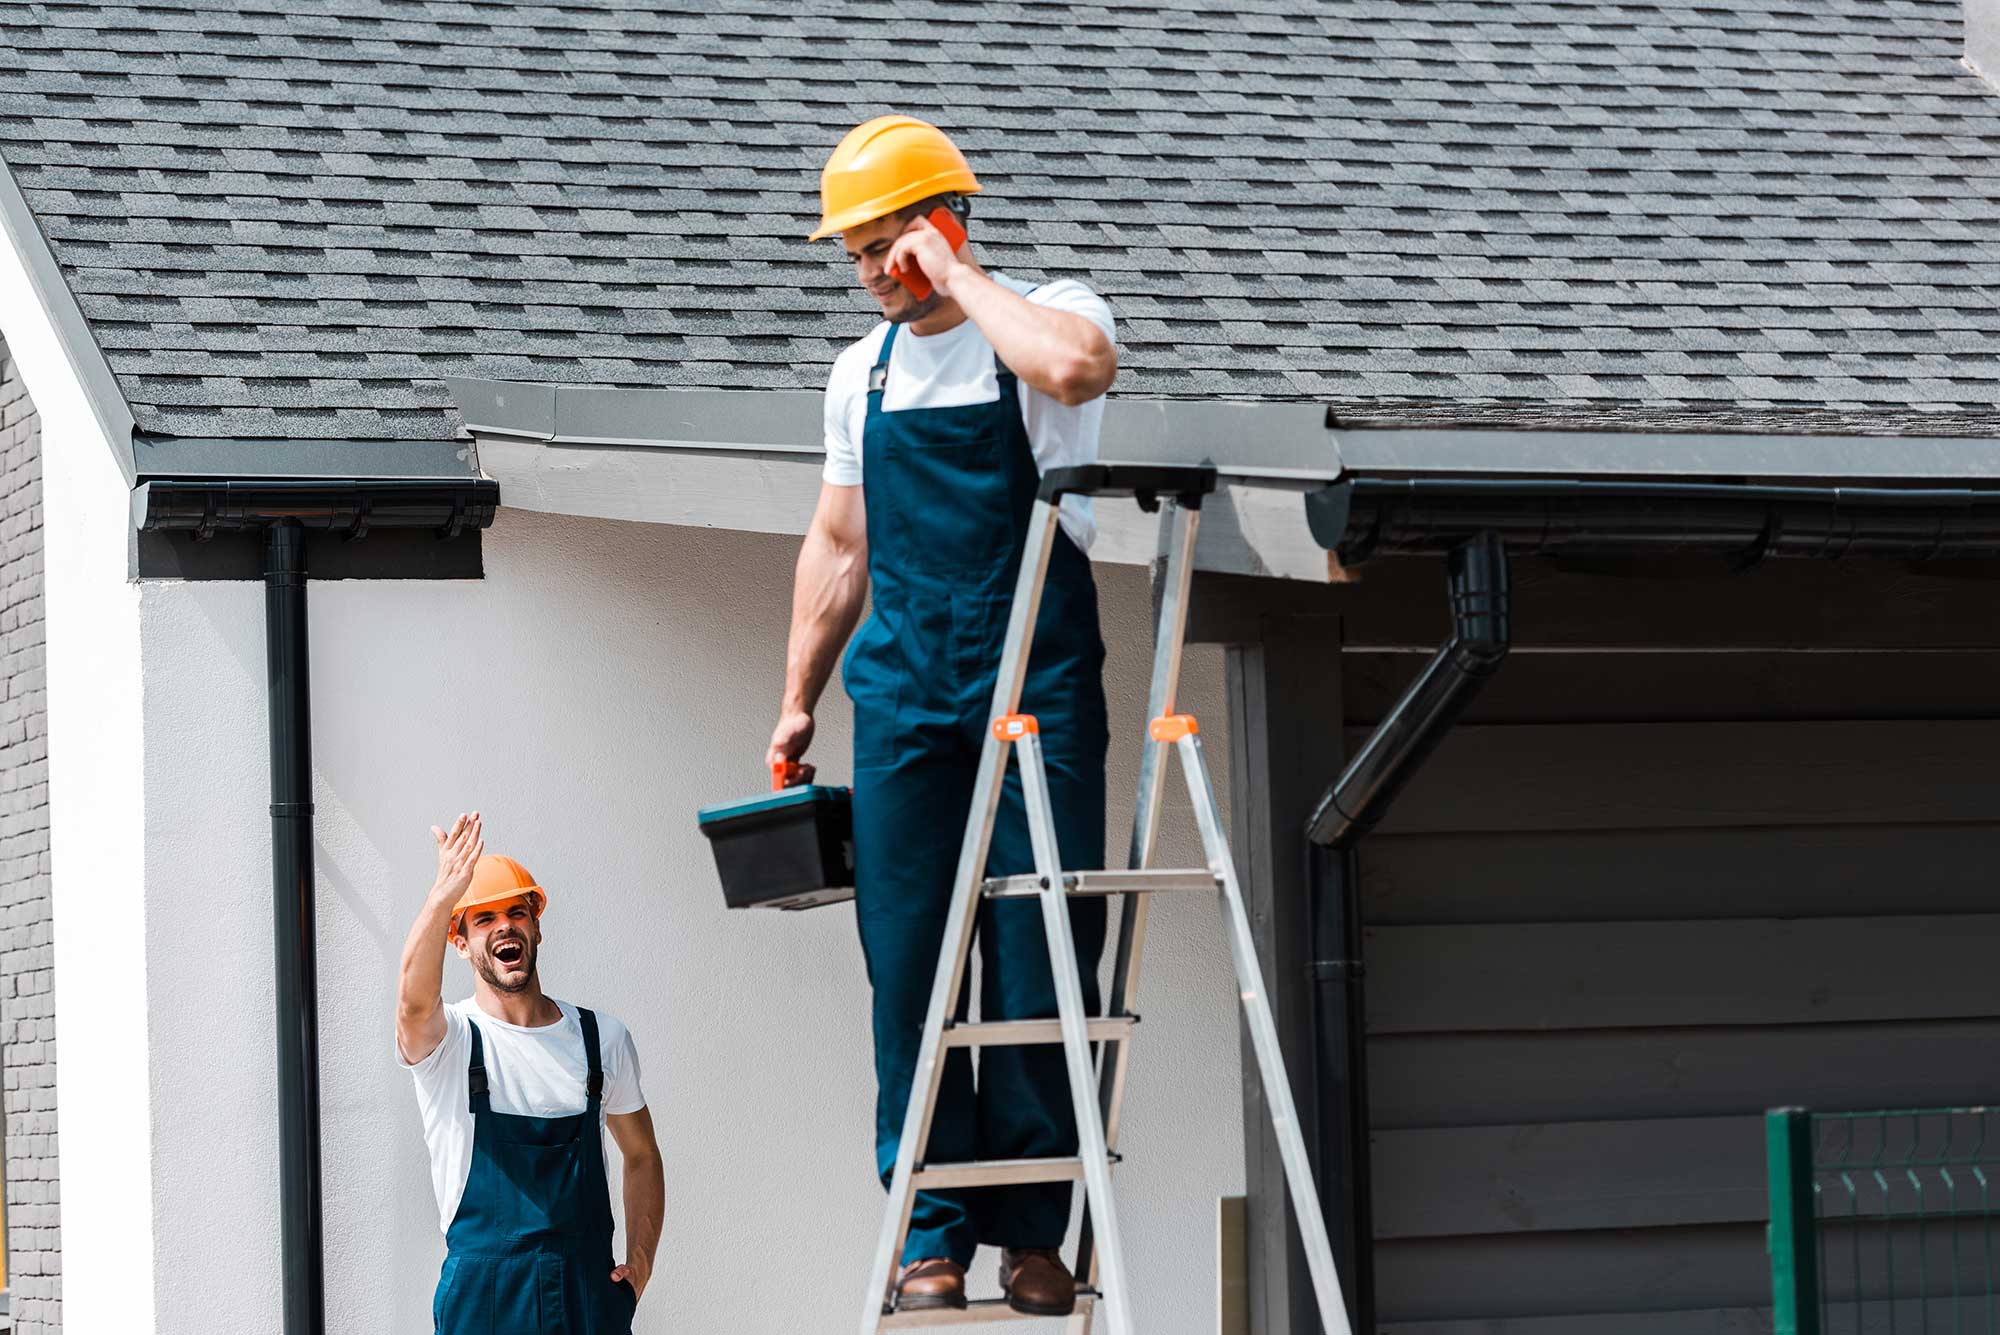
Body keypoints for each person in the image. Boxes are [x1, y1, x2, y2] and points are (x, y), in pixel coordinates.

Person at [767, 115, 1119, 1317]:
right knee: (908, 957)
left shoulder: (1045, 312)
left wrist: (959, 275)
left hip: (1036, 681)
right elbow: (836, 542)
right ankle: (930, 1228)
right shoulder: (857, 373)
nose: (870, 271)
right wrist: (795, 699)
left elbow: (1075, 372)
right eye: (855, 252)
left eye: (886, 243)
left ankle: (1032, 1236)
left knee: (1037, 954)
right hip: (906, 693)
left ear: (942, 221)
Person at [395, 812, 664, 1334]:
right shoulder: (450, 1039)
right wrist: (441, 898)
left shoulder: (600, 1038)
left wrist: (641, 1262)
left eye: (516, 912)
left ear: (536, 924)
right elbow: (410, 1007)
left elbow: (642, 1153)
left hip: (587, 1295)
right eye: (483, 919)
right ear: (460, 941)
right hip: (483, 1301)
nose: (504, 927)